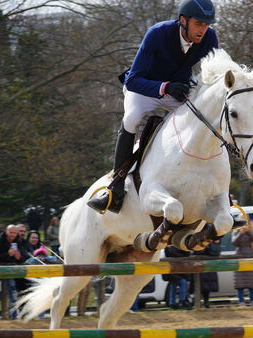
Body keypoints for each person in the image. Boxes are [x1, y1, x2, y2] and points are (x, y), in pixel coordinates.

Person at [87, 0, 219, 214]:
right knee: (131, 118)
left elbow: (217, 70)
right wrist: (165, 87)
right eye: (199, 24)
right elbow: (133, 80)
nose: (203, 30)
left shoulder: (209, 37)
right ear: (183, 21)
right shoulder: (157, 34)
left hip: (177, 90)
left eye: (206, 25)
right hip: (144, 88)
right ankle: (115, 189)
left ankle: (221, 194)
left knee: (204, 119)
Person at [0, 224, 29, 318]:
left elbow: (21, 259)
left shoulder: (18, 241)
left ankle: (13, 316)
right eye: (11, 232)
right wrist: (8, 254)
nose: (13, 235)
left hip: (10, 269)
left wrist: (19, 258)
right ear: (6, 232)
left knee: (13, 292)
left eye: (15, 233)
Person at [232, 218, 253, 306]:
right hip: (239, 256)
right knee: (240, 282)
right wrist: (241, 233)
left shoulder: (251, 229)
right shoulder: (236, 230)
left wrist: (248, 231)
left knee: (252, 281)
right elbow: (234, 242)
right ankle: (241, 301)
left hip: (250, 255)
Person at [192, 240, 221, 308]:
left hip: (209, 266)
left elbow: (216, 252)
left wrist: (208, 245)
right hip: (200, 265)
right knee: (199, 286)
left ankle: (205, 302)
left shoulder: (215, 242)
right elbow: (195, 253)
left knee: (206, 287)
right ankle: (198, 303)